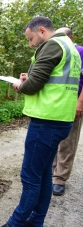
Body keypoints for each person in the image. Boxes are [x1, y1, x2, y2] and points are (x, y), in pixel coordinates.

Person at [2, 16, 81, 227]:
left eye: (31, 38)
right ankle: (36, 221)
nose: (31, 44)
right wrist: (30, 78)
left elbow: (34, 85)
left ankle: (15, 223)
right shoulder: (70, 47)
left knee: (30, 177)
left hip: (47, 121)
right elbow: (52, 80)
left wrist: (20, 85)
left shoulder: (52, 45)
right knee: (45, 174)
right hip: (61, 119)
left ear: (42, 31)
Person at [52, 27, 83, 196]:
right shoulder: (58, 52)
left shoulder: (80, 52)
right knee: (54, 138)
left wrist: (80, 103)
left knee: (67, 142)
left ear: (71, 37)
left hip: (73, 103)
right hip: (57, 103)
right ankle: (52, 170)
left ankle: (60, 178)